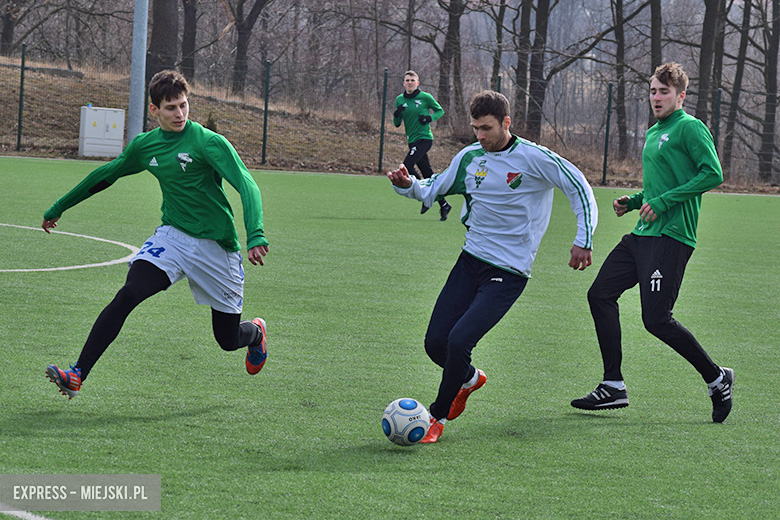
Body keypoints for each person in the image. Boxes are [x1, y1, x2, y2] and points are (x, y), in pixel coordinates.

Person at [43, 70, 269, 399]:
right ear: (154, 111)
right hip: (173, 238)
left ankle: (256, 334)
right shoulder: (145, 146)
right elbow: (108, 174)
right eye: (171, 108)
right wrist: (59, 206)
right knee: (129, 293)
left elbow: (246, 183)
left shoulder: (207, 142)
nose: (180, 114)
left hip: (217, 250)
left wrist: (256, 234)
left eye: (184, 105)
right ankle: (77, 373)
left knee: (227, 339)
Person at [387, 90, 598, 443]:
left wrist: (584, 238)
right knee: (435, 343)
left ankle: (435, 418)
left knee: (458, 340)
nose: (480, 136)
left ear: (506, 123)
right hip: (470, 261)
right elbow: (434, 188)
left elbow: (579, 188)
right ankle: (469, 379)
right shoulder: (470, 157)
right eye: (475, 129)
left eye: (486, 128)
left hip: (509, 272)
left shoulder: (534, 158)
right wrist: (408, 186)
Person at [570, 62, 733, 423]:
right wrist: (636, 200)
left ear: (680, 96)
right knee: (599, 294)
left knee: (656, 319)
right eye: (653, 91)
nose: (656, 97)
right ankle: (613, 384)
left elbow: (713, 173)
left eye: (664, 91)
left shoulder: (689, 128)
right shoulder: (655, 130)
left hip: (672, 236)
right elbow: (662, 187)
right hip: (643, 235)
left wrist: (661, 203)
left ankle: (718, 379)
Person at [392, 70, 452, 221]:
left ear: (417, 83)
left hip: (424, 139)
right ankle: (444, 204)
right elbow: (397, 124)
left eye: (413, 80)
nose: (410, 82)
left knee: (407, 165)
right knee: (428, 174)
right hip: (412, 141)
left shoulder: (425, 97)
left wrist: (429, 118)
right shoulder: (400, 99)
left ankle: (424, 194)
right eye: (407, 80)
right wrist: (396, 114)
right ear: (404, 83)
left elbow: (440, 111)